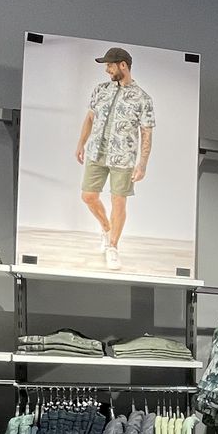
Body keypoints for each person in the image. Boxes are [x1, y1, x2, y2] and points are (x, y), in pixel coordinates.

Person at [73, 46, 155, 269]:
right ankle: (106, 228)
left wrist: (142, 164)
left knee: (118, 201)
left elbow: (146, 134)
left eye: (110, 65)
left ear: (123, 65)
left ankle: (113, 247)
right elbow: (90, 118)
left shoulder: (143, 99)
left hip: (123, 157)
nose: (107, 69)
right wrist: (81, 143)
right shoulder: (100, 90)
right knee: (88, 196)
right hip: (96, 153)